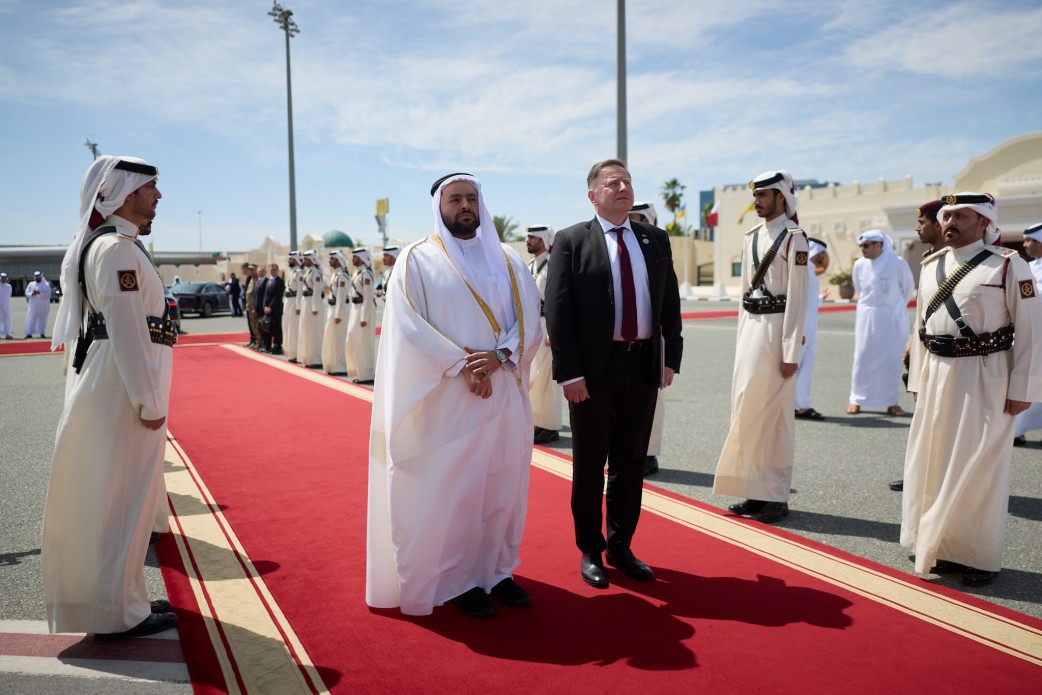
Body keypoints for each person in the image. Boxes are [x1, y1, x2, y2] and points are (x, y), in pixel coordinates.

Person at [367, 173, 542, 618]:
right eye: (455, 199)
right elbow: (408, 328)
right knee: (456, 494)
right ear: (438, 207)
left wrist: (500, 356)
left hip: (503, 395)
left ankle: (497, 571)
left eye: (471, 198)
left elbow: (530, 319)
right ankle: (458, 580)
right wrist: (463, 365)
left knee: (503, 489)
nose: (465, 206)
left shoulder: (508, 259)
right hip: (448, 401)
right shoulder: (416, 260)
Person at [42, 155, 177, 638]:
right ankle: (117, 611)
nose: (158, 196)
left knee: (123, 501)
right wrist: (149, 401)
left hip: (119, 384)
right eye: (151, 187)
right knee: (122, 501)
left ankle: (123, 600)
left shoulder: (118, 245)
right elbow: (127, 331)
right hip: (124, 389)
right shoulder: (117, 250)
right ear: (124, 192)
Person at [545, 159, 683, 589]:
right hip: (593, 372)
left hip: (642, 366)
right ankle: (591, 548)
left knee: (630, 463)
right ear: (592, 195)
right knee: (590, 464)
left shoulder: (655, 239)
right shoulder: (571, 241)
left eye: (627, 181)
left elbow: (669, 303)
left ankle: (621, 546)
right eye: (612, 183)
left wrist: (671, 356)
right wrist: (569, 373)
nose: (623, 187)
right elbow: (559, 311)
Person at [902, 192, 1042, 587]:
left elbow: (1031, 331)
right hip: (936, 373)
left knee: (980, 466)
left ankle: (980, 556)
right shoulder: (931, 265)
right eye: (947, 216)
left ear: (983, 222)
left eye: (961, 216)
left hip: (986, 374)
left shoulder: (1009, 265)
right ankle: (944, 546)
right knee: (936, 460)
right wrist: (918, 380)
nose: (950, 222)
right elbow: (922, 327)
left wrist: (1023, 388)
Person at [713, 169, 809, 524]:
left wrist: (791, 352)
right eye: (755, 195)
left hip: (776, 332)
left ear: (781, 197)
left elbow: (798, 298)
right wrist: (741, 341)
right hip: (751, 332)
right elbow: (744, 295)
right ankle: (754, 491)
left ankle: (775, 497)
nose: (756, 201)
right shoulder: (751, 235)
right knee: (747, 410)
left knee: (775, 419)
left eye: (763, 195)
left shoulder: (795, 238)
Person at [891, 199, 946, 491]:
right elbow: (923, 311)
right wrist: (912, 343)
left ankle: (938, 479)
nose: (917, 228)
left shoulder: (956, 259)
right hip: (925, 349)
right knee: (924, 416)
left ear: (939, 224)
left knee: (943, 419)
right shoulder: (928, 258)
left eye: (922, 222)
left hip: (952, 353)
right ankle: (921, 475)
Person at [846, 229, 915, 416]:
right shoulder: (859, 264)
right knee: (862, 357)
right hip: (866, 317)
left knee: (891, 360)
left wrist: (892, 307)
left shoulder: (897, 263)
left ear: (879, 245)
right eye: (861, 245)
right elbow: (859, 287)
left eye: (866, 245)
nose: (862, 249)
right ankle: (856, 399)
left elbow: (907, 288)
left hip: (891, 319)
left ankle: (891, 402)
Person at [629, 201, 667, 474]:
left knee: (653, 400)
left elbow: (669, 301)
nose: (632, 222)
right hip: (623, 340)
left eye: (637, 217)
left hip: (653, 337)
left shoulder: (658, 249)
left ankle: (649, 453)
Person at [525, 224, 563, 445]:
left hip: (548, 326)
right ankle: (538, 422)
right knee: (534, 377)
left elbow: (558, 301)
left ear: (543, 240)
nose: (528, 241)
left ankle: (550, 427)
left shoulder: (553, 264)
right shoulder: (530, 265)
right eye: (527, 237)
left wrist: (555, 330)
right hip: (533, 326)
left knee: (549, 379)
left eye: (532, 237)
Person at [1013, 221, 1042, 447]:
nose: (1025, 245)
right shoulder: (1027, 268)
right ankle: (1017, 430)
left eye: (1030, 240)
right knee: (1024, 381)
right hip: (1028, 334)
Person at [795, 238, 828, 420]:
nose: (823, 257)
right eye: (821, 254)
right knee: (795, 369)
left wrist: (820, 298)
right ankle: (791, 406)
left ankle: (801, 406)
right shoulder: (804, 270)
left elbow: (809, 302)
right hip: (802, 330)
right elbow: (797, 302)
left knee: (805, 369)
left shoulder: (810, 271)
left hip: (809, 330)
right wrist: (797, 331)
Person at [345, 247, 376, 383]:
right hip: (355, 308)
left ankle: (366, 374)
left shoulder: (366, 274)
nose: (353, 259)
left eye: (355, 257)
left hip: (363, 308)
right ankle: (359, 372)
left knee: (363, 342)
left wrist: (364, 317)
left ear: (362, 258)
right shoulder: (357, 273)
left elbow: (368, 298)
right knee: (353, 340)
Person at [321, 250, 351, 374]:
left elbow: (341, 296)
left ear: (338, 261)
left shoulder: (342, 276)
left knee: (338, 339)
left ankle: (340, 366)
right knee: (331, 338)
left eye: (332, 259)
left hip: (339, 311)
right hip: (332, 309)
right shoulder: (336, 275)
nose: (330, 261)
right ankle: (333, 365)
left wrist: (338, 314)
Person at [297, 250, 324, 368]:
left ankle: (316, 359)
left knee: (314, 332)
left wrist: (315, 307)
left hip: (312, 303)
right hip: (306, 302)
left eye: (306, 259)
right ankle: (309, 358)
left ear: (312, 260)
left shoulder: (316, 273)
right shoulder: (308, 272)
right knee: (306, 331)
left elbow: (317, 291)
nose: (304, 261)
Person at [283, 252, 303, 363]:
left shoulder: (299, 273)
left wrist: (298, 305)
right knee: (287, 327)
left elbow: (300, 290)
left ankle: (295, 353)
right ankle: (290, 352)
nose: (289, 261)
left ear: (295, 260)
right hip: (288, 301)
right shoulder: (292, 272)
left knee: (294, 329)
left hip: (294, 302)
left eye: (290, 259)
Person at [262, 263, 285, 355]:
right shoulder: (268, 281)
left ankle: (277, 346)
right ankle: (267, 346)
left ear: (277, 271)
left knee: (277, 328)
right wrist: (265, 306)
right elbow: (265, 295)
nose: (272, 271)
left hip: (276, 309)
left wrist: (270, 307)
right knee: (267, 327)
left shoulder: (280, 281)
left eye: (274, 270)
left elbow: (278, 296)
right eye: (271, 270)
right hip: (267, 309)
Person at [24, 270, 52, 338]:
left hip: (43, 306)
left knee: (42, 320)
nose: (37, 278)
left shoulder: (46, 284)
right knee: (31, 319)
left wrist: (40, 293)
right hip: (33, 306)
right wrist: (32, 293)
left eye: (38, 277)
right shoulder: (31, 284)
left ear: (41, 277)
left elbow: (48, 294)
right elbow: (27, 293)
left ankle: (42, 333)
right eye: (36, 277)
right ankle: (29, 333)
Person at [242, 263, 259, 348]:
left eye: (252, 270)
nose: (251, 271)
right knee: (251, 324)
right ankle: (253, 340)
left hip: (254, 306)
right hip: (249, 305)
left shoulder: (258, 279)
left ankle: (258, 341)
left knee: (256, 325)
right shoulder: (250, 279)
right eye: (250, 270)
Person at [253, 265, 268, 351]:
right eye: (259, 271)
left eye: (262, 271)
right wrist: (254, 308)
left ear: (265, 272)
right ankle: (260, 343)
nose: (260, 273)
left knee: (264, 327)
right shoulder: (257, 281)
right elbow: (255, 296)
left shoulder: (267, 281)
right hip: (257, 308)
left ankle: (266, 344)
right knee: (258, 326)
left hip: (264, 307)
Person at [0, 272, 12, 339]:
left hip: (6, 306)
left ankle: (8, 334)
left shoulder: (9, 286)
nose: (3, 279)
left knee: (7, 319)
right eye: (2, 278)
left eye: (5, 278)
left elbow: (9, 296)